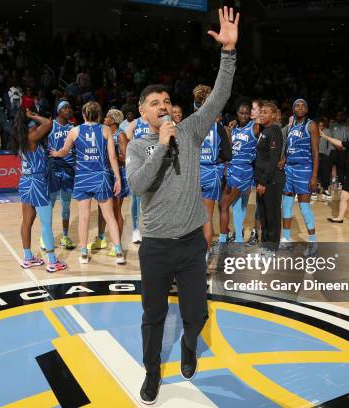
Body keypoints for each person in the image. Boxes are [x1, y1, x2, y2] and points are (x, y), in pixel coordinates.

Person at [125, 6, 238, 404]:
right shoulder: (138, 146)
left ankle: (190, 346)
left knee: (197, 315)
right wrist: (161, 146)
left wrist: (228, 53)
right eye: (154, 102)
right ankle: (152, 373)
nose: (163, 105)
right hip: (156, 246)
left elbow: (219, 97)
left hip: (191, 242)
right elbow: (138, 187)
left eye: (166, 100)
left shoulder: (190, 130)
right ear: (142, 113)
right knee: (153, 318)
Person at [50, 101, 125, 265]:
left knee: (84, 217)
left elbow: (64, 152)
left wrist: (55, 153)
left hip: (83, 177)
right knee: (110, 216)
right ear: (98, 115)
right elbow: (112, 157)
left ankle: (83, 253)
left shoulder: (74, 131)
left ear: (83, 114)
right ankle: (118, 251)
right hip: (101, 176)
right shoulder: (105, 130)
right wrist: (118, 178)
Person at [10, 109, 67, 273]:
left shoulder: (21, 138)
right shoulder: (31, 137)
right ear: (30, 126)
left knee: (27, 221)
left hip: (25, 181)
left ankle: (28, 257)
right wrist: (32, 115)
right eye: (35, 125)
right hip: (37, 182)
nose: (37, 128)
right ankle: (52, 260)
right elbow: (48, 123)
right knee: (46, 223)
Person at [280, 99, 319, 257]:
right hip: (289, 169)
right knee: (287, 205)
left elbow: (316, 152)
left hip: (304, 170)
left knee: (304, 208)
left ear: (307, 109)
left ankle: (313, 242)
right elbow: (288, 147)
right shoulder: (290, 126)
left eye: (303, 105)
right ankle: (287, 238)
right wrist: (283, 159)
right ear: (293, 109)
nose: (300, 107)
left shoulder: (311, 125)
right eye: (297, 105)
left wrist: (314, 176)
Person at [196, 85, 231, 260]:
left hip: (194, 174)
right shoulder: (218, 127)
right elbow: (227, 154)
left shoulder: (192, 123)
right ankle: (206, 255)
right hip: (211, 173)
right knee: (207, 218)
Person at [90, 109, 130, 256]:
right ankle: (101, 239)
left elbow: (125, 159)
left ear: (112, 121)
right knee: (102, 208)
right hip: (106, 175)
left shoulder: (120, 135)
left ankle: (116, 243)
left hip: (118, 174)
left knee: (115, 210)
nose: (104, 118)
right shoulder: (105, 133)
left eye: (106, 117)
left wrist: (110, 155)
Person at [218, 99, 259, 244]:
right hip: (231, 168)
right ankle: (239, 239)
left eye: (247, 113)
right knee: (238, 205)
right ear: (237, 113)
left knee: (227, 205)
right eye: (241, 113)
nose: (244, 116)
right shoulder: (233, 128)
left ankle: (235, 240)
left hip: (244, 170)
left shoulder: (254, 127)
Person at [45, 100, 77, 250]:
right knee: (50, 203)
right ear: (58, 111)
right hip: (54, 166)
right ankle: (45, 236)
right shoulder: (51, 125)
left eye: (69, 107)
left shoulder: (73, 128)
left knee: (66, 204)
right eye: (65, 107)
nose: (68, 109)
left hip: (69, 168)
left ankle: (65, 236)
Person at [254, 102, 284, 255]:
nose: (262, 114)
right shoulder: (264, 130)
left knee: (272, 216)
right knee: (263, 214)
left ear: (273, 115)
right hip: (262, 181)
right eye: (261, 112)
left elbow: (273, 160)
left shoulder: (275, 131)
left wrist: (263, 182)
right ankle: (265, 245)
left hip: (271, 181)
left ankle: (272, 249)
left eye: (265, 112)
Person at [125, 109, 151, 244]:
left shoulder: (154, 122)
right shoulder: (135, 123)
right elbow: (127, 141)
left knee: (153, 197)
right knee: (136, 197)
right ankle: (135, 229)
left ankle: (150, 228)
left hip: (153, 163)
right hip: (139, 164)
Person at [247, 98, 264, 245]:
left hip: (262, 170)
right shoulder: (249, 126)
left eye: (253, 108)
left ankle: (257, 233)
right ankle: (251, 232)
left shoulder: (264, 127)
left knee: (261, 202)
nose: (250, 111)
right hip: (250, 169)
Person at [316, 118, 333, 201]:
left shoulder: (328, 131)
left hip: (325, 155)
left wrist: (328, 153)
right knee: (315, 172)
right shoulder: (314, 131)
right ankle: (313, 190)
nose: (320, 127)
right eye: (319, 125)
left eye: (322, 125)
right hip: (315, 155)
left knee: (326, 173)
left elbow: (330, 143)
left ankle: (325, 190)